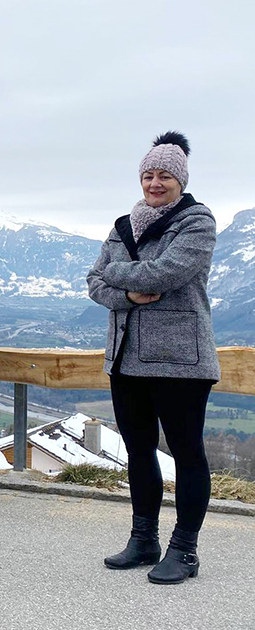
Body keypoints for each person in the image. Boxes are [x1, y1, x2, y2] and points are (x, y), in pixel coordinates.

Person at [87, 131, 219, 585]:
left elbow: (167, 272)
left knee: (186, 453)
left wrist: (115, 277)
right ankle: (144, 538)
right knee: (139, 451)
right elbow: (93, 283)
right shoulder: (124, 223)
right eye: (148, 174)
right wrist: (129, 292)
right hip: (125, 358)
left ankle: (185, 550)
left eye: (165, 175)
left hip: (180, 360)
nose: (155, 182)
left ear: (180, 179)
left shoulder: (197, 221)